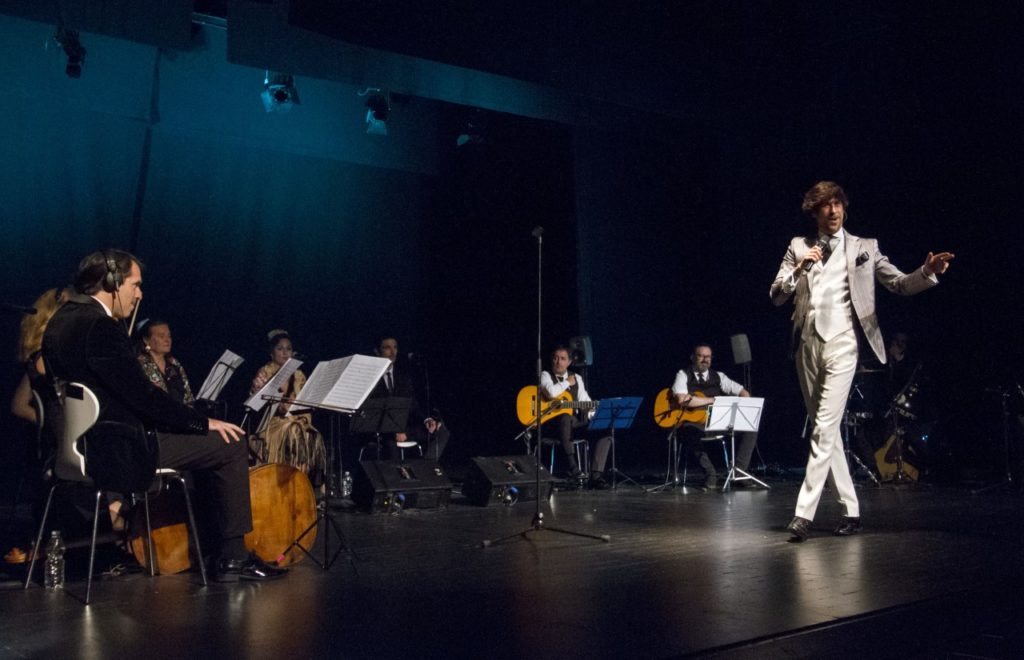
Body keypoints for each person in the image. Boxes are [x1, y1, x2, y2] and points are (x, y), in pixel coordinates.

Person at [43, 249, 285, 580]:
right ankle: (232, 557)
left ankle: (206, 547)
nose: (139, 294)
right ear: (112, 282)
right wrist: (201, 422)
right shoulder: (100, 327)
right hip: (116, 451)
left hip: (75, 448)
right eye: (135, 284)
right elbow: (143, 396)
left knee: (203, 441)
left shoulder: (58, 323)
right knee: (228, 443)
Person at [770, 181, 953, 541]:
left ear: (845, 208)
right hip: (806, 345)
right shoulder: (798, 247)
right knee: (828, 430)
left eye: (838, 204)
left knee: (823, 425)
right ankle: (851, 510)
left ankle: (802, 514)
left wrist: (928, 272)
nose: (833, 210)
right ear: (815, 212)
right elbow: (777, 296)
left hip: (844, 344)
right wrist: (799, 269)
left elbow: (899, 284)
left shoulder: (865, 248)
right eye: (825, 206)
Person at [4, 287, 70, 564]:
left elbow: (20, 404)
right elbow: (20, 406)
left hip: (55, 440)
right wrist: (55, 422)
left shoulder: (45, 354)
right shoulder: (47, 357)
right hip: (55, 447)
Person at [670, 343, 757, 489]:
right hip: (695, 424)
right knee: (688, 431)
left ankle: (740, 472)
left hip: (717, 422)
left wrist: (743, 401)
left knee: (751, 428)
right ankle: (711, 474)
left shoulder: (719, 376)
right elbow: (682, 399)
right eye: (701, 356)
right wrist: (712, 400)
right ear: (692, 357)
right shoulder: (683, 374)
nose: (705, 359)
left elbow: (743, 392)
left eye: (708, 357)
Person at [248, 329, 326, 490]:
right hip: (274, 423)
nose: (285, 353)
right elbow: (259, 403)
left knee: (312, 434)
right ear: (271, 352)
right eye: (280, 349)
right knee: (293, 431)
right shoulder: (265, 371)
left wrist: (301, 416)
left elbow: (305, 404)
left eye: (288, 348)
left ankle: (304, 485)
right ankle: (285, 487)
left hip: (296, 420)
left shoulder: (299, 374)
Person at [538, 345, 612, 488]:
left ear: (569, 362)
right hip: (552, 426)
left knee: (604, 429)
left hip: (574, 425)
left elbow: (585, 401)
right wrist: (567, 383)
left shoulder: (577, 378)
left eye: (562, 359)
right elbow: (551, 393)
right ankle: (573, 468)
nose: (558, 361)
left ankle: (596, 476)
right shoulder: (546, 375)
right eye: (555, 358)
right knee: (565, 416)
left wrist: (593, 414)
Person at [366, 336, 450, 461]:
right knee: (390, 444)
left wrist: (426, 419)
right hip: (383, 431)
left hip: (405, 428)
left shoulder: (403, 377)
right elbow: (371, 413)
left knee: (440, 430)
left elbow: (413, 405)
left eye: (395, 347)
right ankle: (395, 478)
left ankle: (426, 468)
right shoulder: (369, 378)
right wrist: (394, 431)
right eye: (387, 348)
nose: (392, 352)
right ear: (377, 351)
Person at [137, 319, 195, 406]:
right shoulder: (139, 364)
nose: (167, 340)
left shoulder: (174, 364)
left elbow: (188, 398)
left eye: (169, 336)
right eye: (161, 336)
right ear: (146, 340)